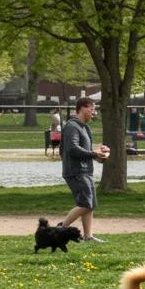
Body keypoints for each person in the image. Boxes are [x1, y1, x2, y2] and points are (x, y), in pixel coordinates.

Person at [61, 96, 110, 242]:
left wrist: (100, 154)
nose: (93, 112)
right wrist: (94, 153)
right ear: (82, 108)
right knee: (86, 204)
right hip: (75, 171)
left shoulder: (84, 127)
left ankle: (88, 236)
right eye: (92, 109)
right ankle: (60, 229)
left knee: (90, 204)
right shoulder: (72, 126)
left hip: (85, 170)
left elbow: (85, 152)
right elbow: (72, 149)